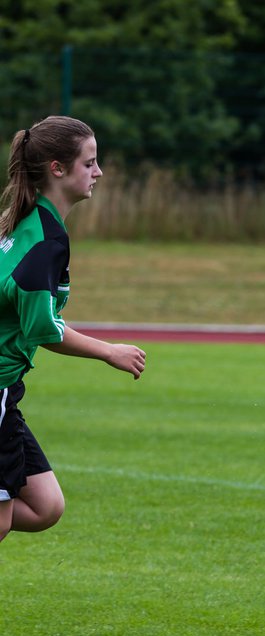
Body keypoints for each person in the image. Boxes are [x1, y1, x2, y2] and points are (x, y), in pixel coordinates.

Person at [0, 116, 147, 544]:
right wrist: (109, 351)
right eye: (90, 163)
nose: (98, 172)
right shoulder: (43, 240)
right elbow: (42, 327)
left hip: (8, 390)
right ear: (57, 168)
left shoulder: (23, 224)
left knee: (46, 507)